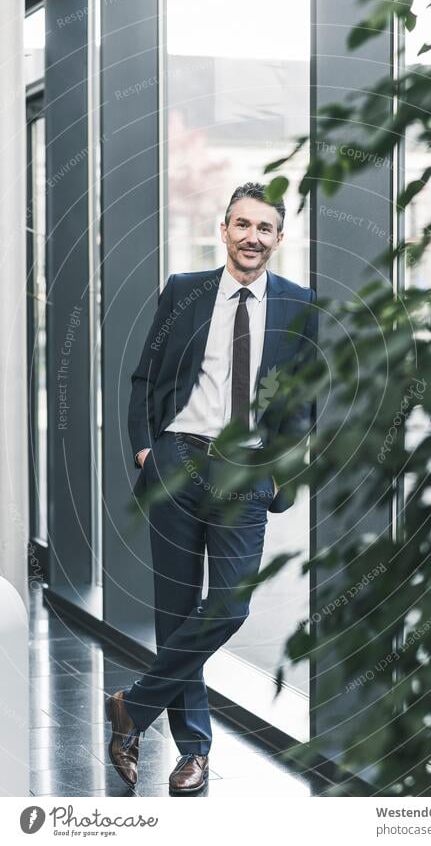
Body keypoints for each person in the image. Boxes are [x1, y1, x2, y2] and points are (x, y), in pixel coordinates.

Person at [105, 182, 317, 794]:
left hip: (246, 470)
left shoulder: (300, 305)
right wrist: (147, 450)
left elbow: (306, 398)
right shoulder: (185, 291)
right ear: (223, 230)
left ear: (278, 238)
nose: (253, 237)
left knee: (227, 605)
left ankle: (131, 711)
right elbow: (145, 375)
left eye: (265, 228)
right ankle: (193, 752)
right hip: (177, 460)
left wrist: (277, 463)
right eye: (242, 225)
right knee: (175, 613)